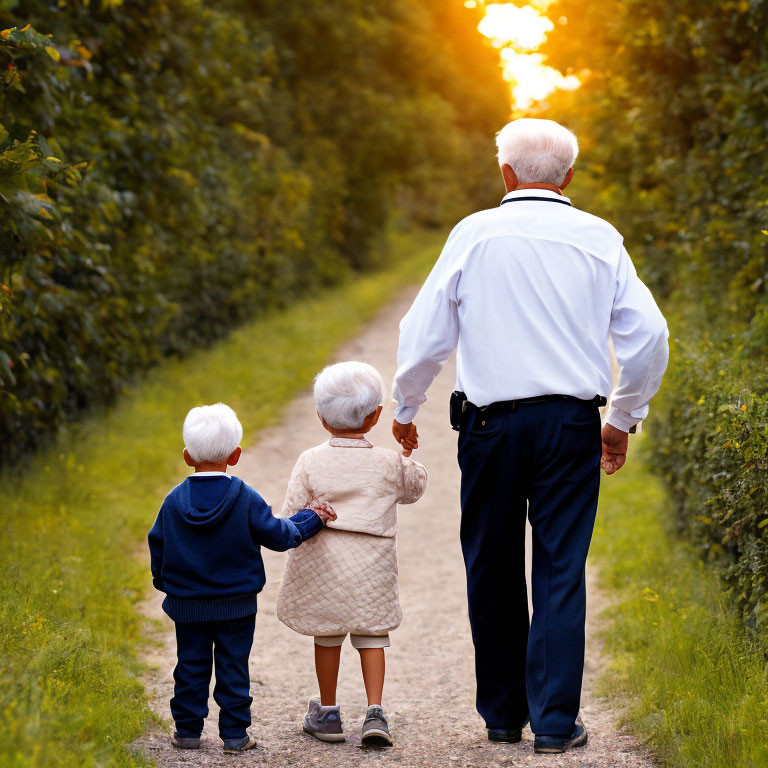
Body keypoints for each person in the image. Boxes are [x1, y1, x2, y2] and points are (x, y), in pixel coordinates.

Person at [391, 118, 669, 754]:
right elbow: (650, 338)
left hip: (489, 427)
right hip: (571, 426)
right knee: (560, 568)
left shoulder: (473, 234)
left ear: (505, 174)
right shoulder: (601, 238)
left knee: (490, 564)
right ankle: (553, 723)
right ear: (569, 176)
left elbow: (424, 330)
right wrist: (622, 419)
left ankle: (502, 716)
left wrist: (406, 404)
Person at [147, 403, 335, 753]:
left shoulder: (173, 502)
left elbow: (158, 544)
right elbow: (279, 536)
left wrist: (167, 584)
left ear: (187, 456)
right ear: (235, 456)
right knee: (233, 668)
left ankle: (187, 732)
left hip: (187, 606)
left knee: (189, 666)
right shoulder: (245, 498)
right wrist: (312, 518)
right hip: (237, 606)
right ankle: (235, 736)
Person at [276, 361, 428, 746]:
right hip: (370, 569)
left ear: (321, 417)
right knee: (372, 636)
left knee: (327, 636)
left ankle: (327, 712)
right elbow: (414, 489)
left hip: (323, 567)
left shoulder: (310, 461)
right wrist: (406, 454)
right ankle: (374, 711)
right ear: (376, 416)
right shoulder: (387, 463)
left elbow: (290, 512)